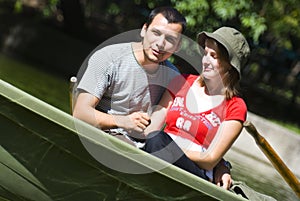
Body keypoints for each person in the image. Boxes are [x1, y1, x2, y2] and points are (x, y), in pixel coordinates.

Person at [73, 6, 231, 186]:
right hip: (105, 138)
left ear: (177, 46)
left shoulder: (173, 77)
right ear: (144, 30)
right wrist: (121, 121)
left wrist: (221, 164)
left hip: (146, 149)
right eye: (156, 33)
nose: (160, 44)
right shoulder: (109, 58)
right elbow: (80, 112)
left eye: (170, 39)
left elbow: (192, 128)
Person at [142, 26, 251, 190]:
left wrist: (222, 165)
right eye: (205, 53)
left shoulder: (235, 106)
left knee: (157, 140)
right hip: (158, 149)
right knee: (155, 139)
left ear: (230, 65)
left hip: (194, 172)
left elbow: (210, 159)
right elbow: (152, 128)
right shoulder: (182, 81)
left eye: (213, 56)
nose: (206, 60)